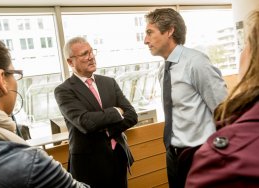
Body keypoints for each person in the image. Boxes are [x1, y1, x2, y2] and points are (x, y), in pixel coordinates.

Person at [0, 33, 89, 188]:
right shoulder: (30, 164)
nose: (90, 57)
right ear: (1, 79)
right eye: (15, 74)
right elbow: (87, 122)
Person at [144, 8, 228, 188]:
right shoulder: (163, 71)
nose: (145, 40)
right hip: (173, 155)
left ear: (169, 31)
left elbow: (224, 110)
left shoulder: (196, 62)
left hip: (200, 154)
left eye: (150, 33)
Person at [186, 10, 259, 188]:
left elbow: (218, 105)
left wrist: (224, 136)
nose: (146, 40)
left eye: (245, 45)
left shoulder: (225, 162)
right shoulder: (162, 71)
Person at [54, 37, 138, 188]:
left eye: (92, 52)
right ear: (70, 62)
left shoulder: (109, 82)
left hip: (118, 157)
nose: (91, 57)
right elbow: (85, 122)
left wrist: (107, 128)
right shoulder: (64, 90)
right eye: (85, 54)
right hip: (89, 166)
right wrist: (116, 111)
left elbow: (132, 115)